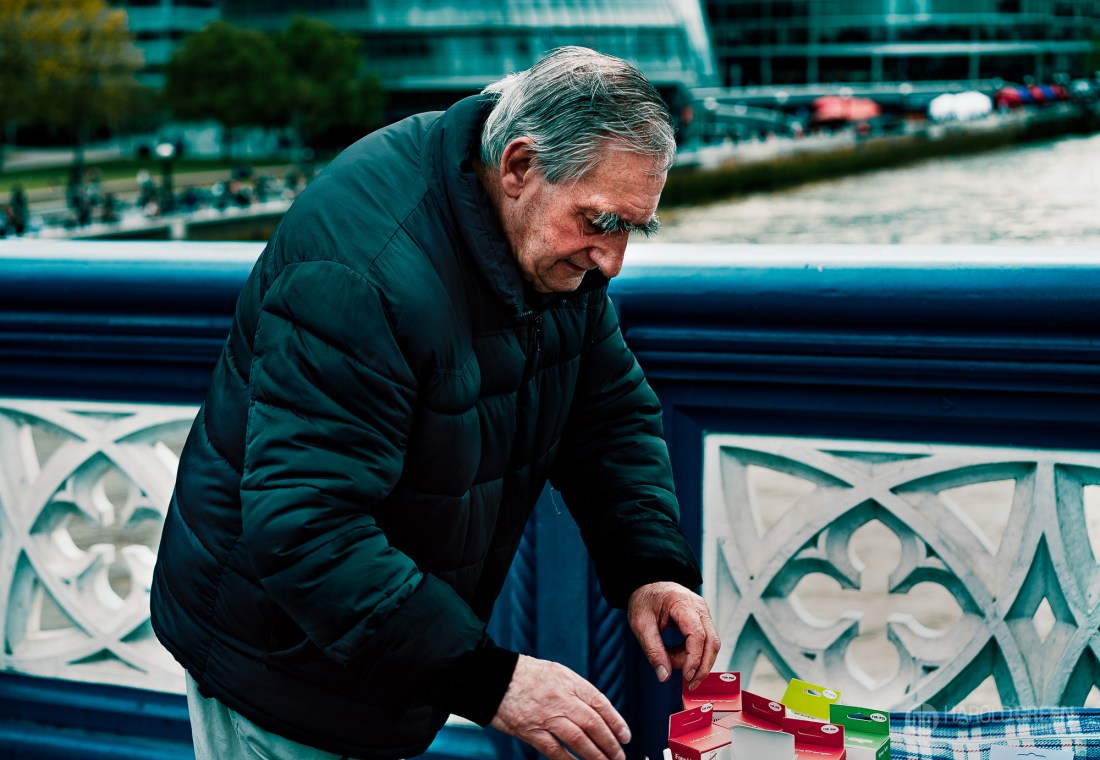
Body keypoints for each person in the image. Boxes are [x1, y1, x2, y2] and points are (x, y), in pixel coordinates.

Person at [151, 46, 719, 760]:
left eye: (631, 229)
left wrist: (649, 566)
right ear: (518, 167)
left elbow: (604, 412)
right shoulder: (361, 274)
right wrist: (491, 681)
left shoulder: (540, 240)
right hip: (277, 660)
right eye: (600, 222)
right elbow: (305, 530)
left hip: (383, 651)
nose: (612, 260)